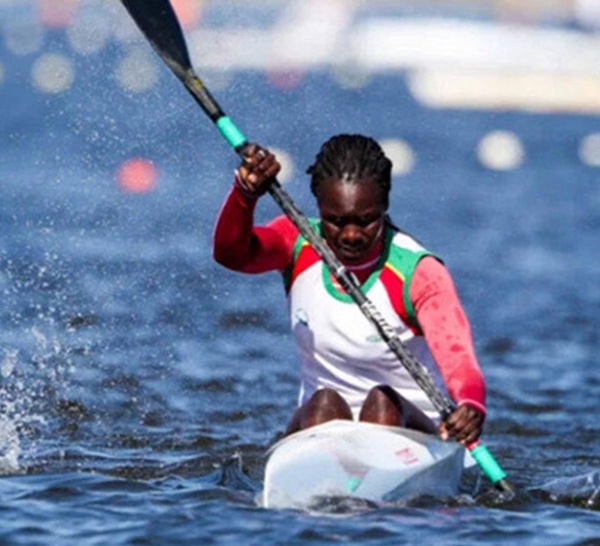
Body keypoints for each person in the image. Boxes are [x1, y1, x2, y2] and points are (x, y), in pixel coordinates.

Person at [213, 134, 486, 445]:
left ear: (384, 206)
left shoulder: (418, 272)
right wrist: (245, 193)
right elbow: (230, 254)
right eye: (336, 221)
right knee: (323, 404)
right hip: (322, 425)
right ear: (320, 209)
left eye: (366, 220)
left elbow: (458, 357)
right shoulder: (298, 243)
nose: (352, 235)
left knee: (381, 404)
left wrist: (470, 406)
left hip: (409, 430)